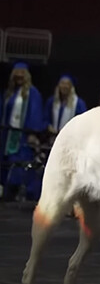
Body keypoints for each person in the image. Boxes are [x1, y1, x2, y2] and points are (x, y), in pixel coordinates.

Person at [0, 62, 44, 201]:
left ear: (27, 76)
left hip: (22, 137)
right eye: (16, 73)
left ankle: (17, 196)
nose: (19, 76)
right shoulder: (9, 92)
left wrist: (32, 132)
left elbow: (35, 113)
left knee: (19, 168)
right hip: (7, 136)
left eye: (22, 73)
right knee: (6, 166)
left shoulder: (32, 93)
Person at [44, 74, 87, 145]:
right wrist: (48, 126)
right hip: (52, 138)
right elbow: (45, 118)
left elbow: (82, 122)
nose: (64, 86)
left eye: (67, 84)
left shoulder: (78, 103)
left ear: (71, 87)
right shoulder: (52, 101)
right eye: (62, 83)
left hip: (70, 140)